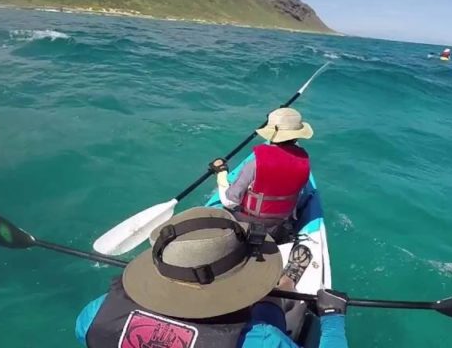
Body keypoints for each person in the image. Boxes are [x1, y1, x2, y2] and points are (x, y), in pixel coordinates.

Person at [74, 207, 348, 348]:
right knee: (272, 315)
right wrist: (333, 316)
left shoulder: (94, 315)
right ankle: (283, 285)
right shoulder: (264, 341)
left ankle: (280, 287)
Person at [210, 108, 313, 233]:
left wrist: (221, 172)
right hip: (281, 224)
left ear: (271, 134)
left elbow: (231, 200)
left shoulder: (254, 165)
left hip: (247, 221)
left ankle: (220, 171)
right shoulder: (304, 163)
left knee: (228, 197)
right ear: (296, 137)